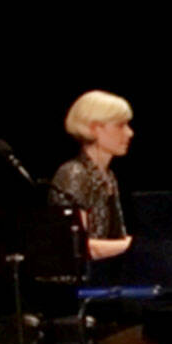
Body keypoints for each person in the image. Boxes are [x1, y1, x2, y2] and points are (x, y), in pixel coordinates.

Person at [51, 90, 135, 260]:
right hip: (77, 283)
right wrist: (134, 244)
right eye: (120, 125)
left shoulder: (108, 176)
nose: (129, 133)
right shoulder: (74, 174)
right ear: (95, 128)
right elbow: (78, 245)